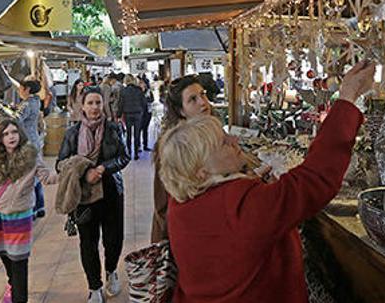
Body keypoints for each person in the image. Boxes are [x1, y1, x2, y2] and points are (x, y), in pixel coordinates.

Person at [156, 61, 373, 302]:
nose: (234, 142)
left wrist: (257, 187)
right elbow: (314, 180)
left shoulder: (182, 201)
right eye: (222, 143)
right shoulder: (239, 206)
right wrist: (347, 99)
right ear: (201, 172)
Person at [0, 119, 58, 303]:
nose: (11, 136)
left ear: (20, 134)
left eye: (14, 132)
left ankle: (19, 297)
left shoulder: (31, 157)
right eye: (6, 134)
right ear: (0, 139)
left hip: (20, 218)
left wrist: (65, 170)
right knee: (5, 256)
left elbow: (47, 177)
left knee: (19, 262)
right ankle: (11, 283)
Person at [57, 87, 130, 303]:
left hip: (111, 192)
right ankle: (94, 287)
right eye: (90, 103)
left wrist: (102, 169)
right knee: (88, 241)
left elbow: (123, 157)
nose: (95, 107)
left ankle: (111, 271)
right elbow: (61, 164)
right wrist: (83, 169)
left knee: (114, 239)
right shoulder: (72, 133)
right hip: (84, 195)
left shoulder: (113, 129)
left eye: (98, 103)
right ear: (82, 106)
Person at [150, 74, 213, 243]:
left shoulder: (211, 134)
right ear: (180, 111)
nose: (202, 102)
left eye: (203, 94)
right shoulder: (171, 146)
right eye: (192, 99)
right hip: (184, 233)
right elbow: (162, 202)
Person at [0, 76, 47, 218]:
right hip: (34, 141)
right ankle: (40, 207)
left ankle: (31, 211)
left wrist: (1, 107)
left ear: (27, 89)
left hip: (26, 143)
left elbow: (15, 119)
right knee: (36, 177)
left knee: (27, 179)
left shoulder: (27, 104)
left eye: (21, 89)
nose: (19, 91)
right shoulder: (35, 101)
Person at [118, 74, 147, 160]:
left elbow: (121, 104)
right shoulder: (139, 90)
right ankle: (136, 154)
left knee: (129, 134)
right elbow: (144, 102)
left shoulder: (123, 91)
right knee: (137, 134)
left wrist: (119, 114)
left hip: (127, 113)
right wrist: (142, 111)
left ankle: (129, 153)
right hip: (138, 113)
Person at [138, 76, 153, 153]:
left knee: (145, 130)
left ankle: (145, 145)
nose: (141, 84)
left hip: (147, 112)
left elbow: (152, 99)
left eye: (142, 83)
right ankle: (138, 146)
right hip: (140, 113)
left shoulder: (148, 91)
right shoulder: (137, 91)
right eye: (140, 83)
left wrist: (147, 98)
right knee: (139, 129)